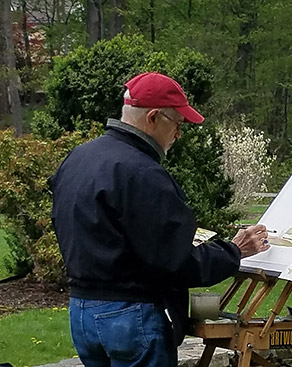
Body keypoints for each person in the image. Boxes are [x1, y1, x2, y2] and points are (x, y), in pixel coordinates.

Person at [49, 72, 270, 367]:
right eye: (177, 124)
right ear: (153, 117)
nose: (179, 134)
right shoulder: (142, 172)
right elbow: (177, 262)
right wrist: (235, 251)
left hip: (82, 311)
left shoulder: (79, 158)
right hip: (130, 314)